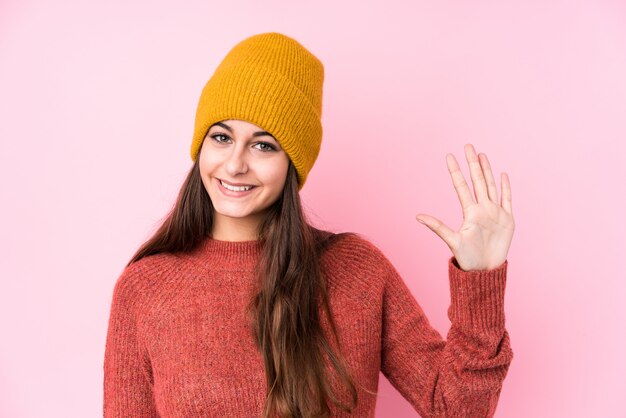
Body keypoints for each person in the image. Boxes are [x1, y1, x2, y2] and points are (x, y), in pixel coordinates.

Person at [103, 32, 515, 418]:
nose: (235, 164)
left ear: (293, 164)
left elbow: (457, 407)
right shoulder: (145, 289)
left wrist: (480, 281)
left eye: (264, 145)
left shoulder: (356, 271)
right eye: (221, 137)